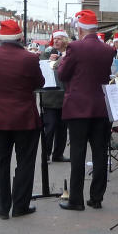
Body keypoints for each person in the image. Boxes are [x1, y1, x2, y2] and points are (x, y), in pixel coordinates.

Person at [0, 20, 44, 219]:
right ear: (20, 37)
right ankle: (20, 205)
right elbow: (39, 82)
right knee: (25, 162)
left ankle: (2, 207)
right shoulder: (29, 58)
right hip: (24, 117)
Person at [57, 10, 115, 211]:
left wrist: (65, 57)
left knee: (78, 154)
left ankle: (76, 199)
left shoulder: (75, 47)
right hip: (101, 107)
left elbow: (63, 73)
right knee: (100, 153)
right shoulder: (108, 50)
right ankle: (96, 198)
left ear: (80, 29)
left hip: (78, 108)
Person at [41, 30, 70, 163]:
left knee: (62, 128)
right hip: (50, 97)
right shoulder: (47, 53)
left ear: (65, 40)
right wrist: (48, 61)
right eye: (55, 39)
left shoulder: (70, 53)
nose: (56, 41)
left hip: (65, 96)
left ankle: (58, 154)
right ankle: (46, 154)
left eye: (59, 38)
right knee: (50, 126)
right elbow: (40, 66)